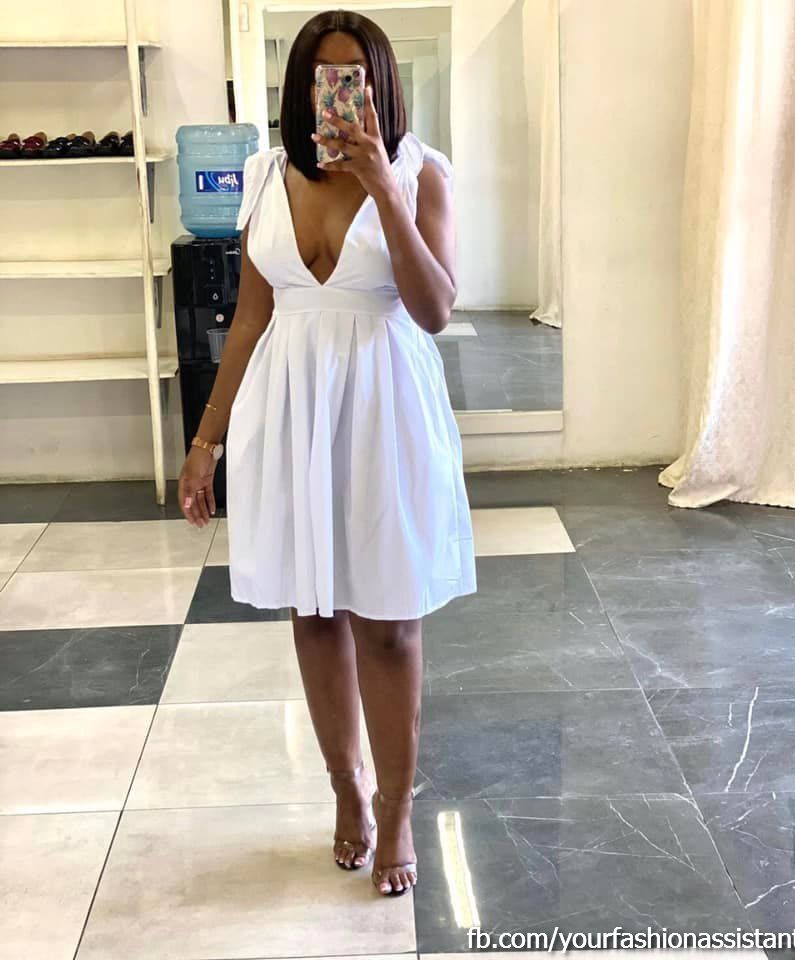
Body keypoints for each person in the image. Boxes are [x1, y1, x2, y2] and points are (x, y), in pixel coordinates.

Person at [177, 9, 476, 897]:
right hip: (289, 409)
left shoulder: (422, 174)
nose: (340, 93)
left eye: (357, 77)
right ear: (301, 89)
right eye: (325, 77)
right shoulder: (267, 176)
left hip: (385, 408)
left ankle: (397, 807)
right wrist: (205, 440)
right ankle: (346, 788)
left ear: (382, 86)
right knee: (312, 611)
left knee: (388, 620)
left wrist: (383, 186)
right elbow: (251, 318)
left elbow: (435, 309)